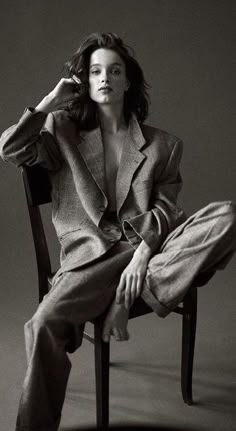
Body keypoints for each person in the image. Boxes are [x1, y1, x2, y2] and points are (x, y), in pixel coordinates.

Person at [0, 32, 235, 431]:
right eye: (95, 72)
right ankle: (126, 297)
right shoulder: (61, 130)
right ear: (85, 83)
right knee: (41, 326)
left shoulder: (163, 146)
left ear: (128, 81)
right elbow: (11, 148)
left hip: (150, 250)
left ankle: (129, 293)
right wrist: (47, 104)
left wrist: (143, 252)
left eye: (114, 70)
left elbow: (165, 209)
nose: (104, 78)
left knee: (228, 215)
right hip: (91, 258)